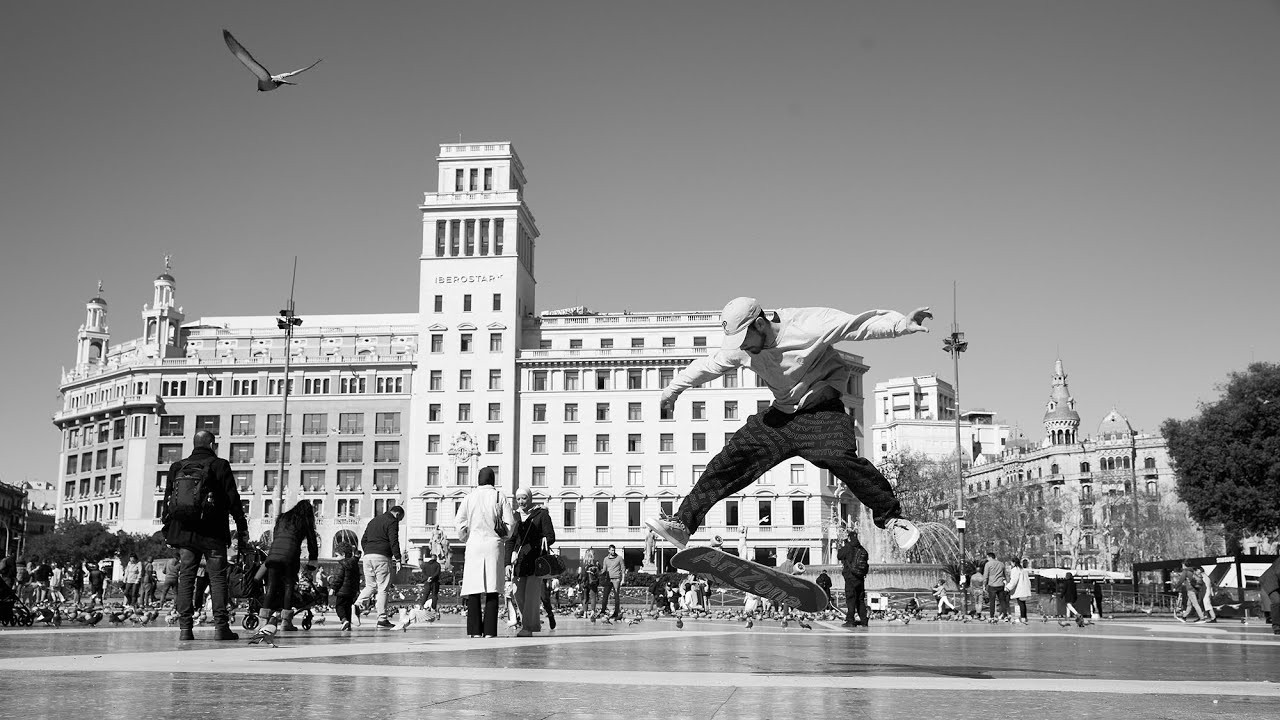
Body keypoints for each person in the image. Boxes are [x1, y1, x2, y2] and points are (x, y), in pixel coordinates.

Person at [646, 297, 930, 552]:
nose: (744, 347)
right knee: (728, 462)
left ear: (760, 323)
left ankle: (893, 519)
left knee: (839, 458)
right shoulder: (741, 349)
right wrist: (673, 389)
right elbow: (708, 365)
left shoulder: (808, 324)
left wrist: (902, 324)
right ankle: (683, 526)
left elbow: (857, 325)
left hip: (822, 415)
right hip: (781, 417)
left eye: (746, 338)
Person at [162, 429, 249, 642]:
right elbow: (232, 498)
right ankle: (221, 628)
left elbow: (167, 500)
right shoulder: (220, 465)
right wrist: (241, 526)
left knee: (187, 577)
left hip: (185, 534)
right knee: (218, 578)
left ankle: (185, 629)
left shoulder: (177, 467)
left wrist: (168, 529)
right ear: (211, 444)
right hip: (213, 533)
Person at [455, 466, 514, 638]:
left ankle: (474, 631)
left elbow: (459, 522)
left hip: (474, 544)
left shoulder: (469, 497)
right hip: (493, 544)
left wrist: (465, 536)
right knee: (492, 588)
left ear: (478, 480)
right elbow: (510, 523)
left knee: (473, 587)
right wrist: (504, 536)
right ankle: (489, 631)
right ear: (492, 480)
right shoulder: (499, 496)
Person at [249, 501, 319, 642]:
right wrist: (312, 561)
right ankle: (286, 622)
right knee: (288, 586)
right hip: (290, 556)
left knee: (271, 586)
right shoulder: (304, 520)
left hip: (273, 554)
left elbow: (276, 536)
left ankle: (263, 620)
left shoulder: (282, 517)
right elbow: (312, 541)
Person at [509, 486, 556, 636]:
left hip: (535, 561)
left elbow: (551, 536)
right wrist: (506, 563)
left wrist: (541, 540)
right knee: (518, 594)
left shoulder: (541, 514)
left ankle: (527, 628)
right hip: (519, 561)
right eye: (518, 499)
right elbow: (510, 540)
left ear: (530, 499)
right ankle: (531, 624)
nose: (521, 501)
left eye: (524, 498)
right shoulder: (514, 516)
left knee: (531, 595)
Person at [355, 504, 404, 629]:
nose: (399, 521)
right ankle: (382, 619)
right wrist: (398, 558)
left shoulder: (374, 520)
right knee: (383, 588)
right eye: (400, 519)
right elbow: (394, 540)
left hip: (367, 557)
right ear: (397, 514)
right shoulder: (392, 521)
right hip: (382, 557)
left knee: (370, 585)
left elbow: (363, 539)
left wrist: (369, 551)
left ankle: (356, 605)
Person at [837, 529, 869, 627]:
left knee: (850, 598)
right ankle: (864, 620)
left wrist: (843, 545)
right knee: (860, 599)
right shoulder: (862, 549)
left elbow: (839, 556)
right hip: (860, 577)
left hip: (851, 577)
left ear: (849, 538)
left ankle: (850, 620)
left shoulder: (848, 547)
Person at [331, 543, 362, 631]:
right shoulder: (354, 563)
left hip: (342, 591)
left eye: (337, 555)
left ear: (343, 555)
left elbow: (338, 578)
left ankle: (344, 620)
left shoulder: (342, 564)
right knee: (348, 607)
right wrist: (357, 590)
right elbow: (357, 577)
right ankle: (348, 625)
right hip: (351, 591)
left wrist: (333, 587)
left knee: (339, 607)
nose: (336, 558)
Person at [598, 544, 624, 620]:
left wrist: (623, 579)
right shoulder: (606, 559)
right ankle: (603, 611)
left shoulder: (619, 558)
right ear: (609, 550)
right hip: (608, 579)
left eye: (614, 550)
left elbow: (623, 568)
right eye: (612, 550)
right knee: (605, 595)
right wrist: (600, 572)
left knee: (616, 596)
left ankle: (616, 613)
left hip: (616, 579)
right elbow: (604, 569)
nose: (613, 551)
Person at [982, 552, 1009, 622]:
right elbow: (1005, 574)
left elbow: (985, 576)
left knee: (992, 601)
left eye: (987, 557)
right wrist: (1007, 583)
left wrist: (984, 585)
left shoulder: (988, 564)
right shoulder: (1001, 564)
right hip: (1000, 585)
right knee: (1002, 601)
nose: (987, 559)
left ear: (990, 557)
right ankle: (1005, 615)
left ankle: (991, 616)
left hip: (992, 585)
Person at [1005, 558, 1031, 624]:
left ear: (1013, 563)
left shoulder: (1015, 570)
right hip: (1024, 588)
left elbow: (1014, 581)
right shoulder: (1022, 569)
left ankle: (1022, 618)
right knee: (1023, 603)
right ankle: (1024, 617)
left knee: (1021, 603)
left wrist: (1007, 588)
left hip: (1019, 589)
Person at [1258, 557, 1280, 635]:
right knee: (1277, 601)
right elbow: (1278, 572)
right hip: (1270, 582)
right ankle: (1277, 627)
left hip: (1277, 583)